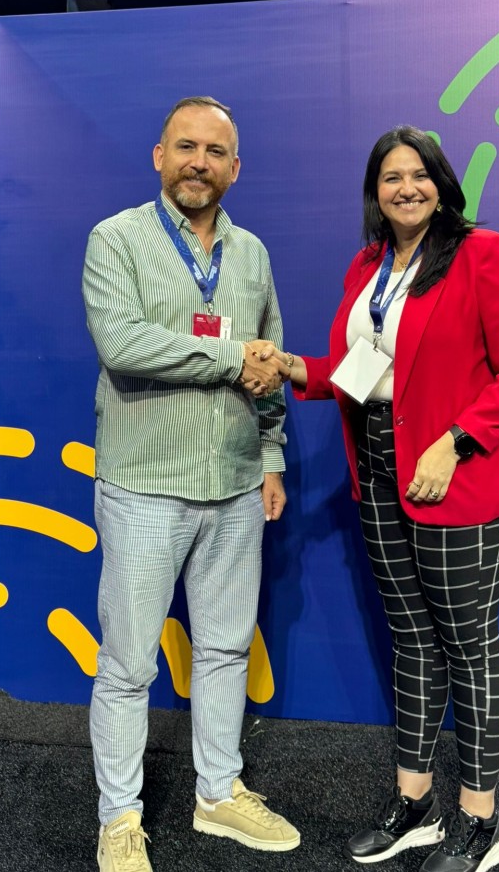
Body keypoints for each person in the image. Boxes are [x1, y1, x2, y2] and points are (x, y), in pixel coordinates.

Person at [261, 126, 499, 872]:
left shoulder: (481, 253)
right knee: (413, 639)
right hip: (379, 469)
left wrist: (454, 442)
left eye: (419, 174)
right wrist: (291, 366)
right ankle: (415, 804)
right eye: (391, 177)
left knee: (469, 647)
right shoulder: (369, 265)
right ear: (376, 192)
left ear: (441, 185)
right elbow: (358, 370)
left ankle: (480, 822)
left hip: (457, 471)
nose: (406, 187)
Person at [82, 96, 299, 872]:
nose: (198, 162)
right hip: (145, 485)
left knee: (225, 648)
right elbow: (124, 342)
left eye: (214, 151)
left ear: (235, 167)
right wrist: (231, 357)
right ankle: (118, 817)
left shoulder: (252, 253)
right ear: (159, 155)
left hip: (236, 484)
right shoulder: (116, 238)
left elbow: (270, 357)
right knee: (128, 663)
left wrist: (270, 453)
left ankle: (217, 792)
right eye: (185, 146)